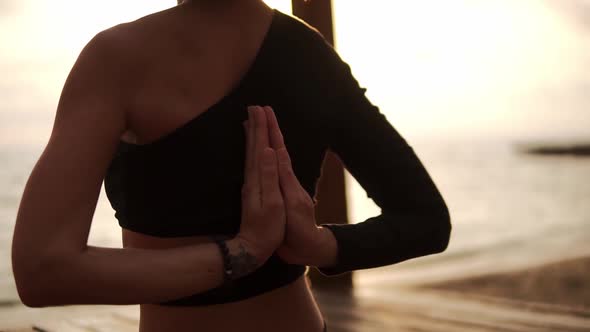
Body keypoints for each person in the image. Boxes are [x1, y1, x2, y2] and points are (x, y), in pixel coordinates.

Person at [11, 0, 452, 331]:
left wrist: (244, 252)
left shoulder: (117, 58)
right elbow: (426, 220)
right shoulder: (310, 54)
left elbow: (43, 272)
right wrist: (317, 246)